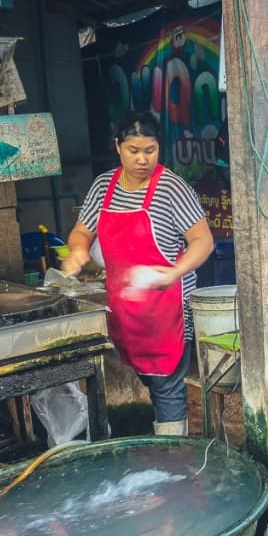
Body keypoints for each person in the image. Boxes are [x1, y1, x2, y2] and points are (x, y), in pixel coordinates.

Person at [61, 112, 214, 436]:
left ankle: (174, 461)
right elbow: (81, 232)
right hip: (125, 308)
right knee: (140, 379)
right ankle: (148, 452)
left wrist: (175, 272)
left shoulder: (172, 188)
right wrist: (78, 250)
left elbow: (203, 242)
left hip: (168, 307)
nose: (143, 159)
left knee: (167, 387)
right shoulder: (104, 186)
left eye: (151, 150)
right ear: (118, 147)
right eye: (134, 151)